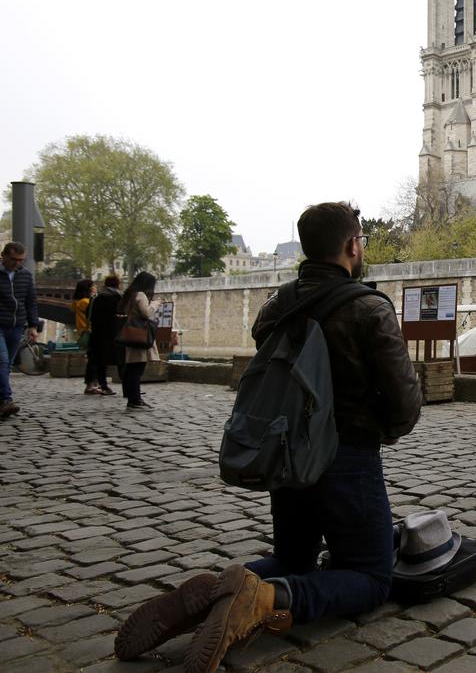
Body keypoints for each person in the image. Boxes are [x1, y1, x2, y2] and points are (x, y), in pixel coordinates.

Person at [114, 201, 423, 672]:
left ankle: (216, 592)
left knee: (293, 555)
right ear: (351, 245)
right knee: (370, 576)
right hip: (347, 455)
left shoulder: (279, 304)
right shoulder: (369, 307)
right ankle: (264, 597)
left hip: (285, 452)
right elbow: (404, 403)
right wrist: (382, 430)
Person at [0, 242, 39, 417]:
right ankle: (7, 399)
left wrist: (33, 326)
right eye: (14, 259)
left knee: (7, 365)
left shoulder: (26, 275)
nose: (17, 263)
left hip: (17, 325)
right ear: (4, 256)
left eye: (20, 260)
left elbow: (31, 302)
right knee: (2, 360)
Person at [119, 272, 160, 410]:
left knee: (132, 368)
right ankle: (135, 400)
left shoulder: (129, 295)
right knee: (137, 370)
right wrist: (155, 303)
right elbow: (147, 313)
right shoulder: (140, 295)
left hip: (131, 333)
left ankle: (133, 398)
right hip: (140, 334)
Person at [87, 275, 122, 396]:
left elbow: (91, 316)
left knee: (101, 361)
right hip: (115, 333)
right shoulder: (119, 298)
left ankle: (104, 385)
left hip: (99, 334)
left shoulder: (98, 298)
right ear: (117, 284)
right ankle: (129, 386)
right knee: (122, 360)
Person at [72, 279, 99, 394]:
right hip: (90, 332)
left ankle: (93, 383)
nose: (95, 287)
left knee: (93, 359)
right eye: (93, 285)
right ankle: (91, 384)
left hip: (84, 331)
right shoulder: (85, 302)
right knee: (94, 359)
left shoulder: (78, 302)